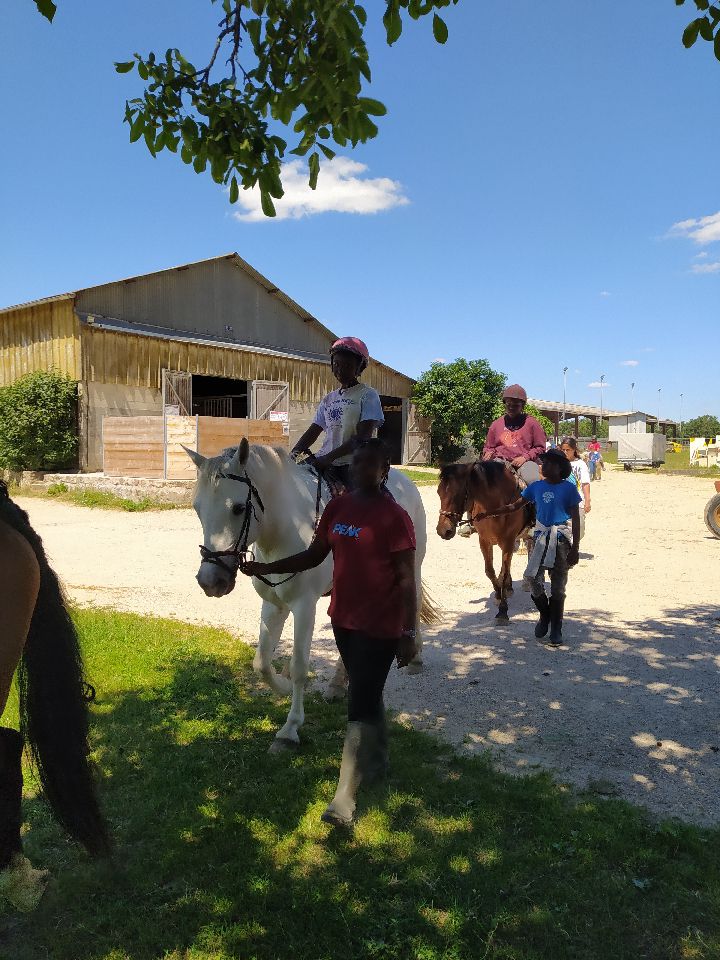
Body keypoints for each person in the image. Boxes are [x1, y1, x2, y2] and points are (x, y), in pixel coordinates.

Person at [240, 439, 417, 827]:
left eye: (369, 464)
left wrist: (409, 631)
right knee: (366, 694)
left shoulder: (395, 517)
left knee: (359, 702)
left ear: (384, 470)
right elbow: (313, 556)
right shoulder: (337, 506)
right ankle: (380, 758)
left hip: (381, 626)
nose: (358, 469)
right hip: (344, 620)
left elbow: (408, 580)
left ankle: (344, 799)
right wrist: (265, 571)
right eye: (356, 463)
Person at [291, 337, 384, 489]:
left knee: (355, 504)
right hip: (324, 458)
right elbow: (314, 430)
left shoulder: (367, 395)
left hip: (352, 463)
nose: (340, 369)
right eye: (336, 364)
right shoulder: (329, 399)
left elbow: (362, 437)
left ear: (359, 368)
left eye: (347, 365)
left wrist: (329, 458)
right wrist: (292, 455)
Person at [520, 449, 581, 645]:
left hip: (561, 540)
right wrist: (496, 511)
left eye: (547, 463)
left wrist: (575, 548)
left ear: (559, 467)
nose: (542, 466)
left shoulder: (569, 488)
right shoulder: (536, 487)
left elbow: (576, 518)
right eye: (542, 462)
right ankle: (545, 614)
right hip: (539, 539)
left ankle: (556, 627)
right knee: (533, 580)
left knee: (557, 586)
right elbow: (517, 504)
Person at [482, 384, 547, 487]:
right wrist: (488, 453)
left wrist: (525, 457)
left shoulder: (531, 423)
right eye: (508, 404)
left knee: (533, 481)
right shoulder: (496, 424)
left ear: (522, 406)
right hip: (500, 462)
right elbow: (489, 447)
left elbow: (540, 447)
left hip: (525, 463)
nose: (511, 407)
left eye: (516, 405)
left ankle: (536, 502)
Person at [560, 437, 591, 540]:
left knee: (579, 528)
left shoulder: (580, 464)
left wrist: (587, 501)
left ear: (574, 450)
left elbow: (585, 483)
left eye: (567, 450)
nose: (565, 452)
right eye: (563, 450)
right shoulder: (558, 464)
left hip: (577, 502)